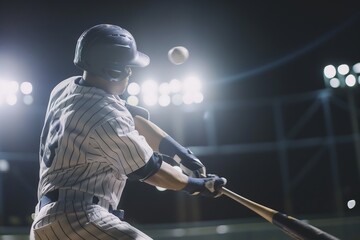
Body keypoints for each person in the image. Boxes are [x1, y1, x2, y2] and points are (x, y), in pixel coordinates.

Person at [30, 24, 226, 240]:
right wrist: (196, 186)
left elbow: (132, 118)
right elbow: (153, 170)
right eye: (126, 66)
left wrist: (181, 155)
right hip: (78, 218)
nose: (130, 72)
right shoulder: (105, 117)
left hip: (47, 221)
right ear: (111, 70)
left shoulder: (64, 88)